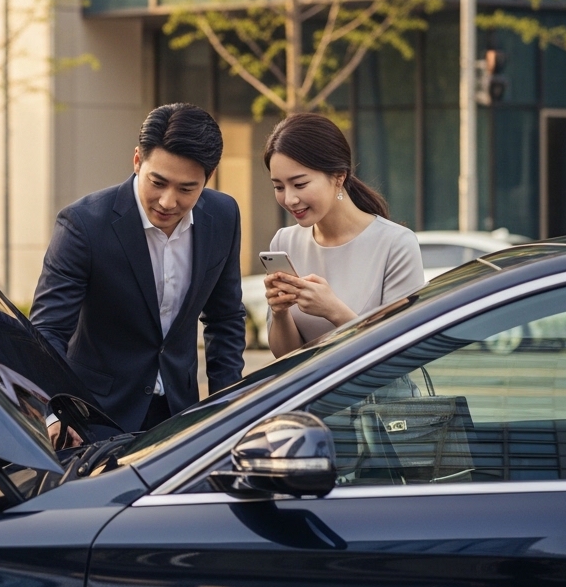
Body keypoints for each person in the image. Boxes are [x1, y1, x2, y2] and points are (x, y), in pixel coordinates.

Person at [30, 103, 246, 434]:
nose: (168, 201)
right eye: (157, 182)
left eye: (186, 188)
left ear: (208, 178)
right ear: (136, 161)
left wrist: (226, 409)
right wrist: (55, 411)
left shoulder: (224, 215)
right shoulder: (84, 224)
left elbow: (225, 319)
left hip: (180, 415)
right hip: (94, 418)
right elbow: (49, 330)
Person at [262, 112, 424, 357]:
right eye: (279, 187)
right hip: (311, 393)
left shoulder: (396, 244)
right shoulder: (284, 242)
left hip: (379, 395)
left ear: (339, 176)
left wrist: (334, 310)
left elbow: (400, 353)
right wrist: (279, 312)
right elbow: (286, 359)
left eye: (300, 184)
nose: (290, 199)